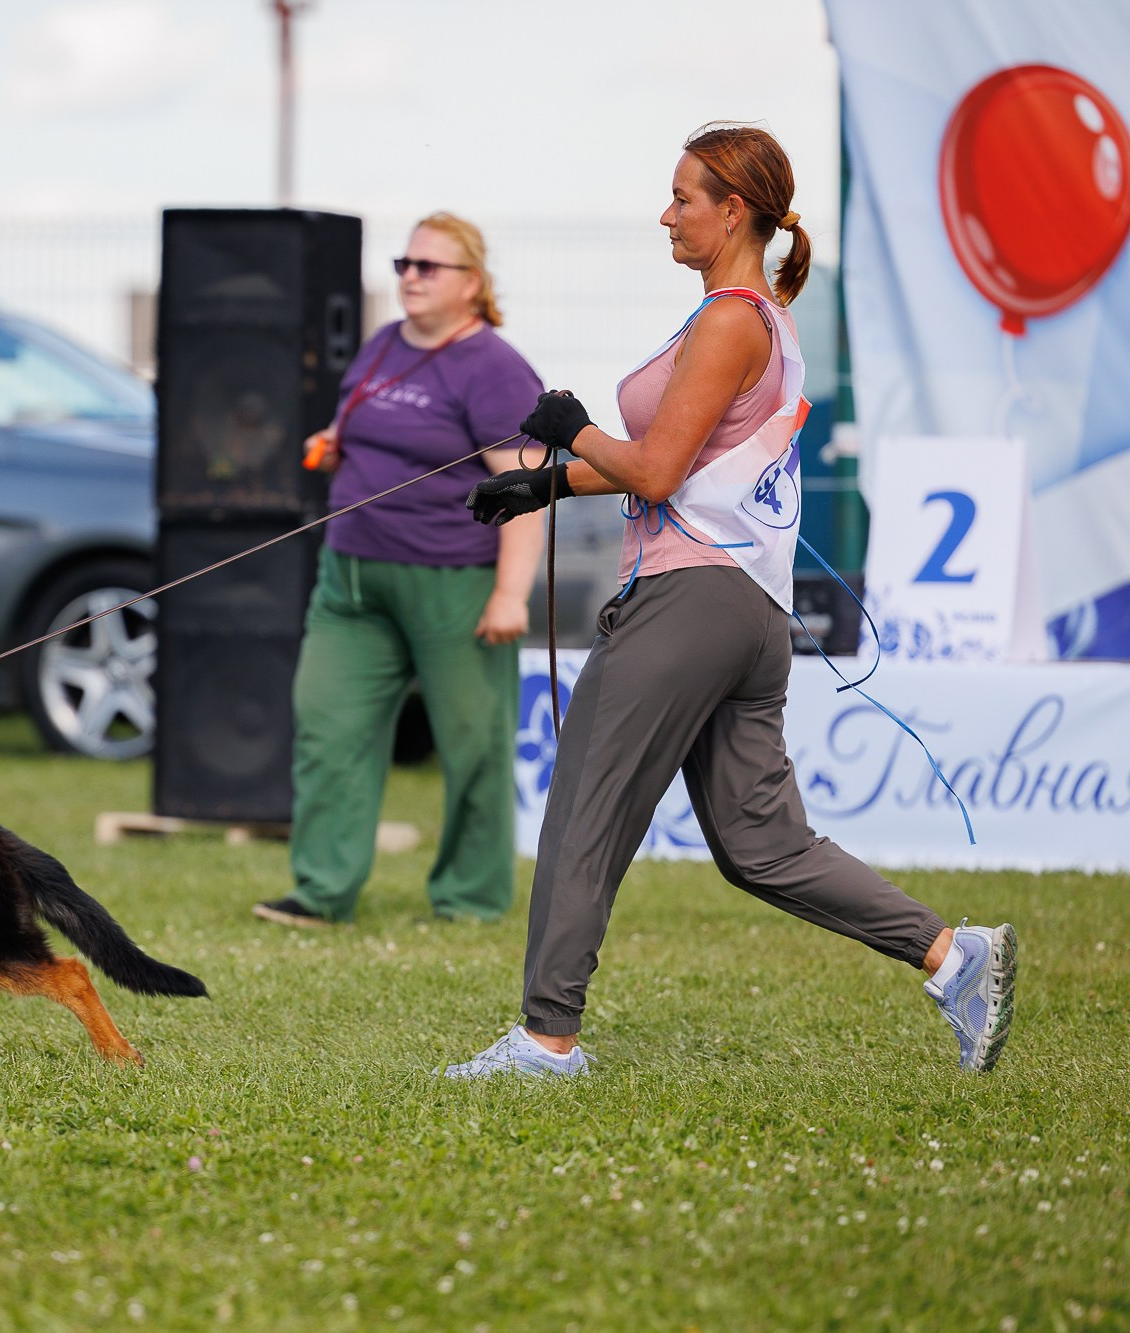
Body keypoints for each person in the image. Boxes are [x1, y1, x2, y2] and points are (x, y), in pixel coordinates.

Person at [448, 125, 1016, 1077]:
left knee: (585, 807)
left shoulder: (729, 319)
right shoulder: (760, 320)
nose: (666, 214)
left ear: (734, 210)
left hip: (689, 601)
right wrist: (550, 485)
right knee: (762, 844)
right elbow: (691, 463)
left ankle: (547, 1042)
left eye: (683, 198)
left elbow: (660, 466)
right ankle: (956, 954)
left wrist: (573, 430)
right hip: (748, 611)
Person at [253, 212, 545, 928]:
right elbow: (363, 427)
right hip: (351, 575)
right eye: (404, 264)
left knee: (473, 741)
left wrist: (511, 592)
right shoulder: (382, 344)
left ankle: (470, 899)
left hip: (455, 580)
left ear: (472, 284)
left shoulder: (496, 370)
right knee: (326, 727)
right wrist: (332, 442)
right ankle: (321, 892)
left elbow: (527, 490)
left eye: (428, 267)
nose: (409, 277)